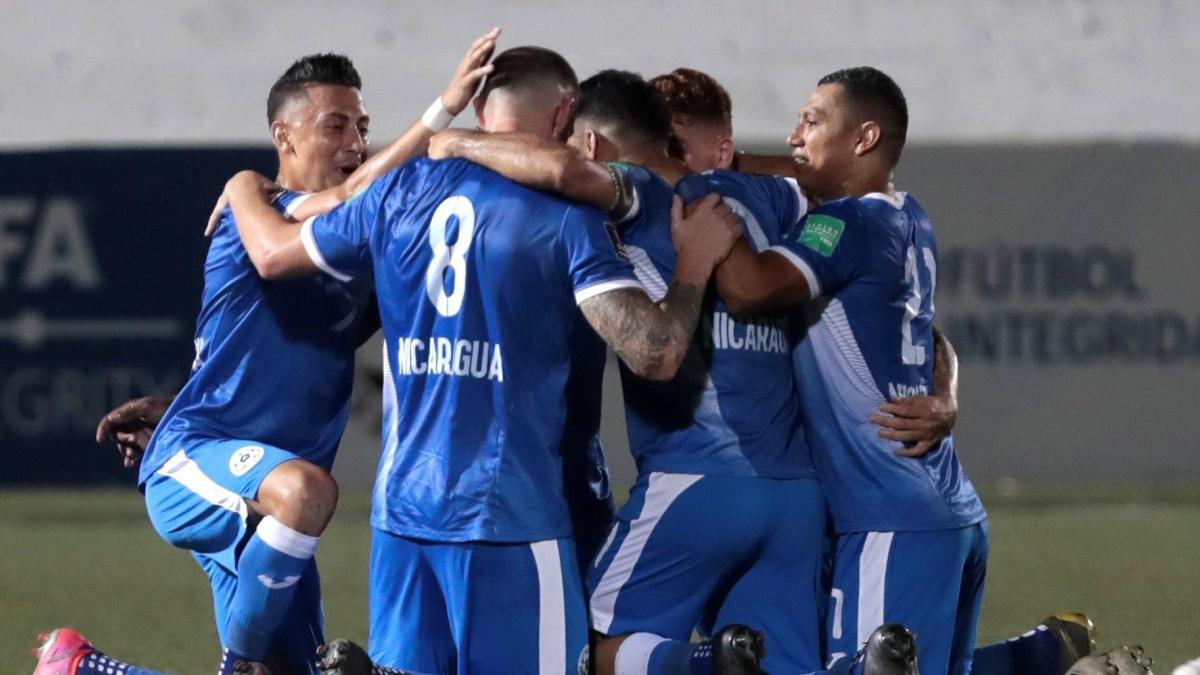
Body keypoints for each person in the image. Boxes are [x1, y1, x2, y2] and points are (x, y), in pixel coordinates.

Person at [220, 46, 743, 675]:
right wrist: (692, 270)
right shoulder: (565, 216)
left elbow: (277, 269)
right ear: (564, 115)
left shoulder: (394, 194)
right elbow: (655, 354)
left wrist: (242, 186)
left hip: (403, 519)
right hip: (511, 520)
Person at [38, 31, 501, 675]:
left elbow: (275, 358)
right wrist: (443, 109)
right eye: (334, 125)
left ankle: (82, 669)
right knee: (309, 492)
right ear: (283, 137)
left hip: (264, 508)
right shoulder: (258, 207)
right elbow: (344, 199)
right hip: (205, 465)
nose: (354, 142)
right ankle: (238, 664)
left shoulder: (353, 261)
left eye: (362, 127)